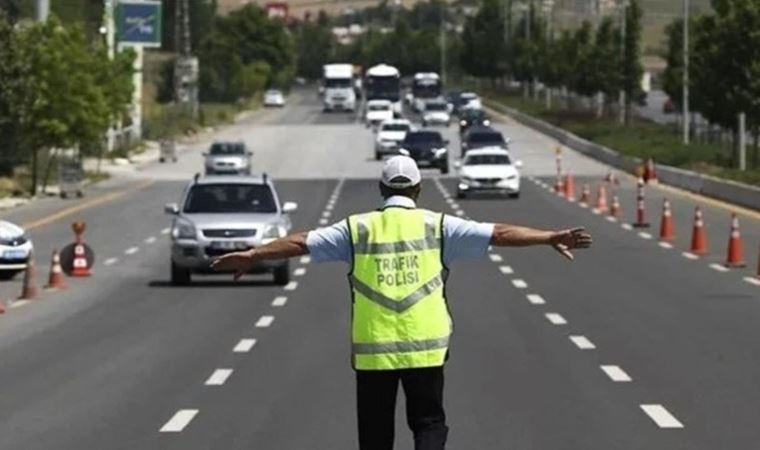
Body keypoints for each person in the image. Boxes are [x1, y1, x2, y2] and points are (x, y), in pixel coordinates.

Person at [211, 156, 593, 450]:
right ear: (418, 188)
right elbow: (499, 233)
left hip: (374, 351)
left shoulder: (356, 229)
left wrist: (253, 254)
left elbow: (299, 242)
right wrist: (547, 236)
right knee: (428, 423)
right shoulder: (439, 226)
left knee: (376, 433)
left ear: (381, 188)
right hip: (425, 348)